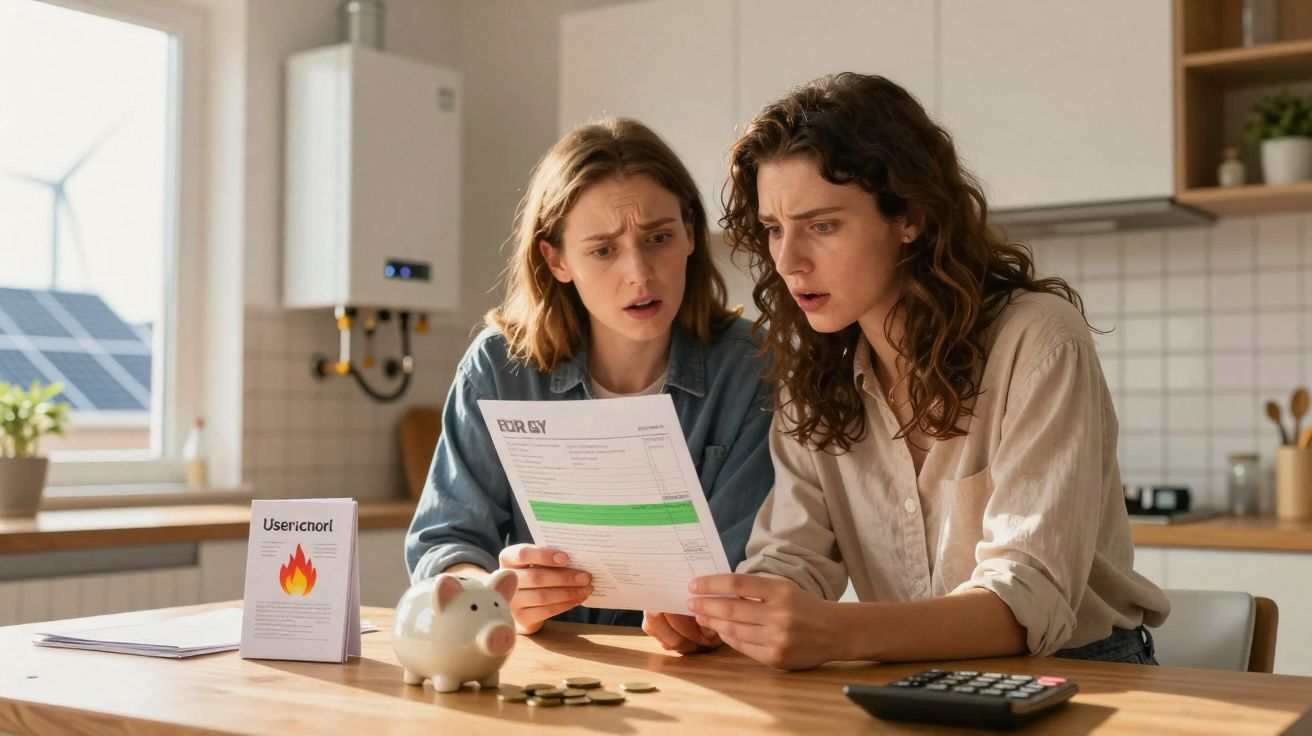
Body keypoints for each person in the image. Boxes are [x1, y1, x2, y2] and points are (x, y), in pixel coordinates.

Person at [660, 73, 1169, 669]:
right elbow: (793, 559)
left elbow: (1029, 598)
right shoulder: (813, 369)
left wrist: (837, 633)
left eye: (822, 225)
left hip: (1086, 676)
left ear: (911, 217)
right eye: (775, 229)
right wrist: (725, 615)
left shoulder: (1038, 340)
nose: (788, 261)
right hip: (912, 677)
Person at [405, 118, 772, 649]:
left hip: (701, 677)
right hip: (543, 671)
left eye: (659, 238)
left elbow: (756, 567)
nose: (641, 274)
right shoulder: (498, 367)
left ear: (691, 233)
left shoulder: (751, 367)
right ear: (555, 259)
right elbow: (447, 540)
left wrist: (715, 622)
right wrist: (491, 595)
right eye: (604, 250)